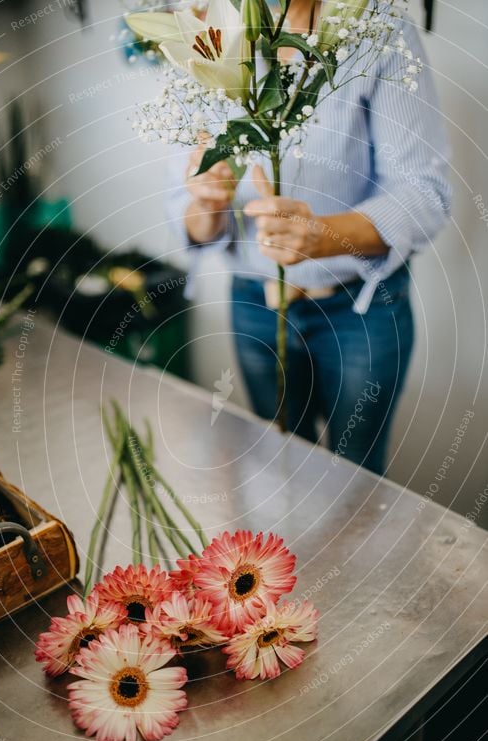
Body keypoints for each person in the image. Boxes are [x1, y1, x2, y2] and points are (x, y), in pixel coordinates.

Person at [166, 1, 451, 474]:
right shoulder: (204, 28)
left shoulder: (376, 28)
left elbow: (426, 195)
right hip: (257, 308)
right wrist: (207, 204)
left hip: (359, 313)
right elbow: (189, 216)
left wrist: (323, 236)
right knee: (278, 473)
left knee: (355, 482)